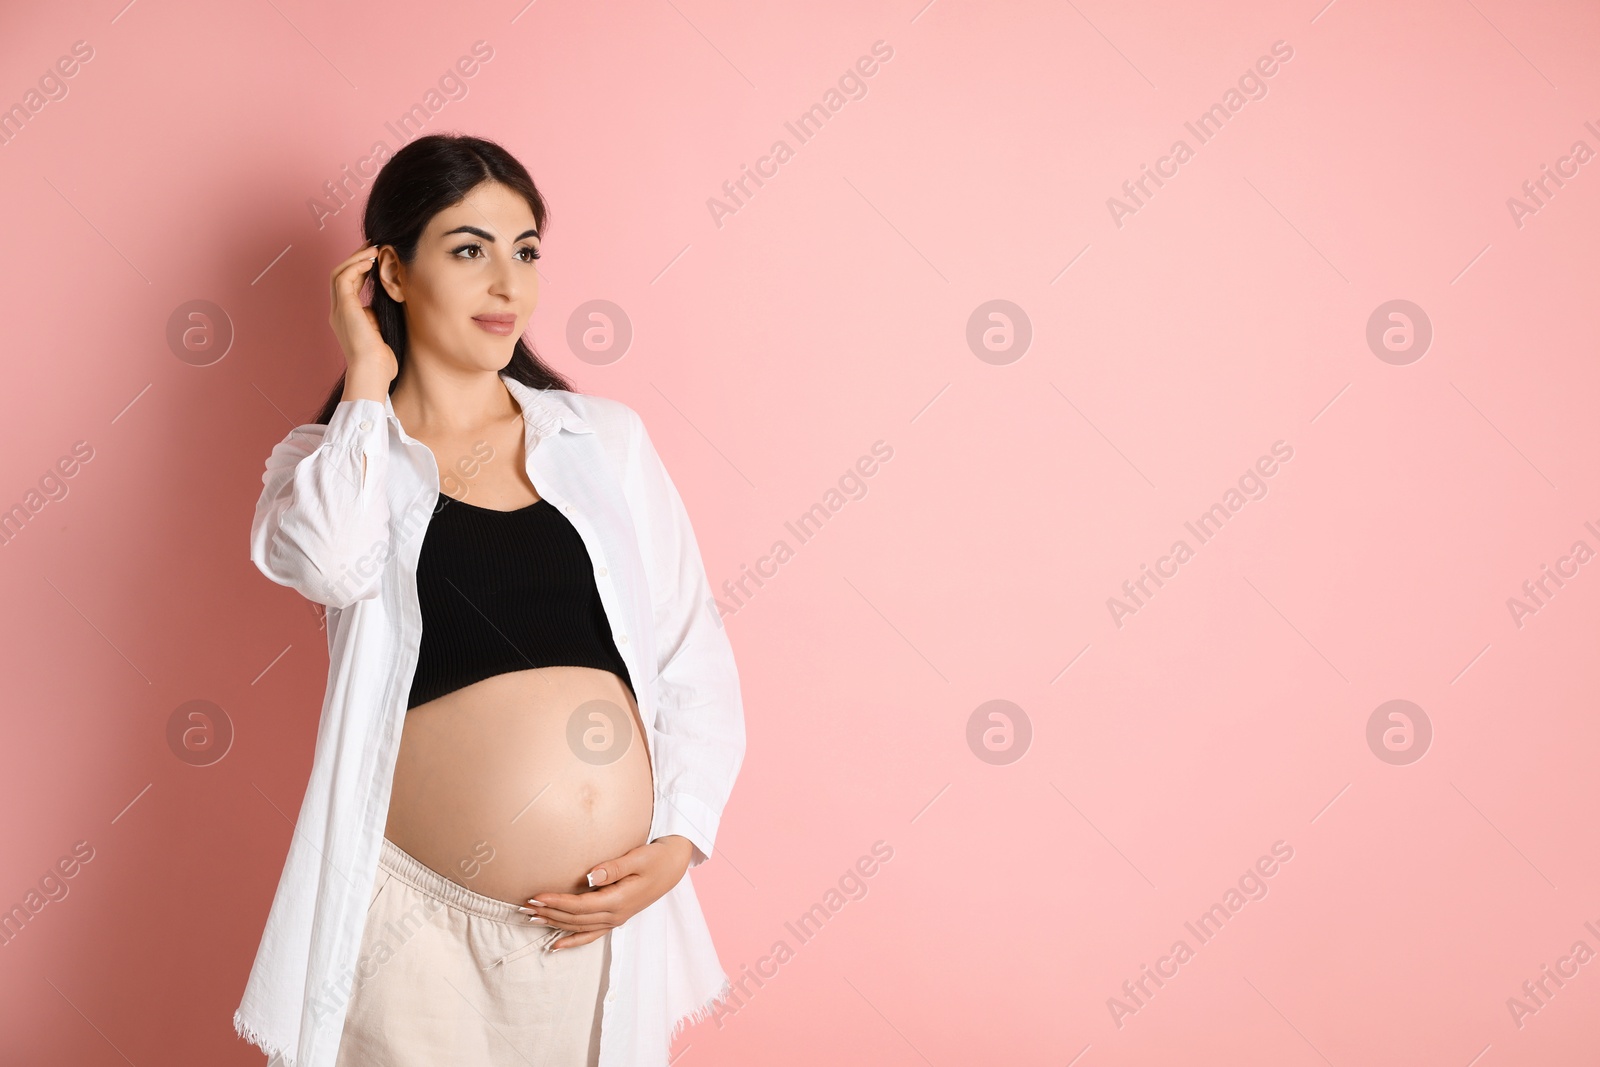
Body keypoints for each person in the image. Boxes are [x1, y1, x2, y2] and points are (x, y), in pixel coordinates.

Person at [232, 133, 746, 1067]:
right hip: (409, 933)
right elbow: (321, 562)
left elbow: (689, 653)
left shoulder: (605, 441)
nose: (508, 283)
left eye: (526, 250)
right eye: (470, 249)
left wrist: (680, 841)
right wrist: (365, 380)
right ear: (388, 269)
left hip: (597, 930)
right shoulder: (335, 461)